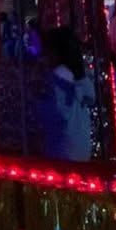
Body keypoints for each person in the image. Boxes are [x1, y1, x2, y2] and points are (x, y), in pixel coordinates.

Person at [37, 26, 96, 163]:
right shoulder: (80, 77)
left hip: (63, 149)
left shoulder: (58, 77)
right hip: (82, 147)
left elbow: (54, 113)